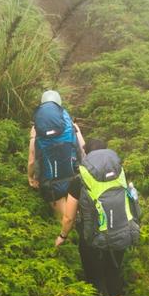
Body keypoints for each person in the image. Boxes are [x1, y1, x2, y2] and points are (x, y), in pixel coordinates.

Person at [54, 139, 140, 296]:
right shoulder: (119, 173)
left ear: (88, 156)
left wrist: (62, 236)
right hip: (120, 232)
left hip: (92, 238)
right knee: (113, 270)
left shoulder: (79, 180)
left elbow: (68, 217)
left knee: (96, 277)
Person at [28, 90, 85, 220]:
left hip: (50, 182)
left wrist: (31, 177)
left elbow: (32, 159)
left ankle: (66, 236)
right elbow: (82, 148)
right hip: (73, 175)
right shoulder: (70, 124)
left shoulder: (36, 129)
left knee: (63, 219)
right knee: (75, 216)